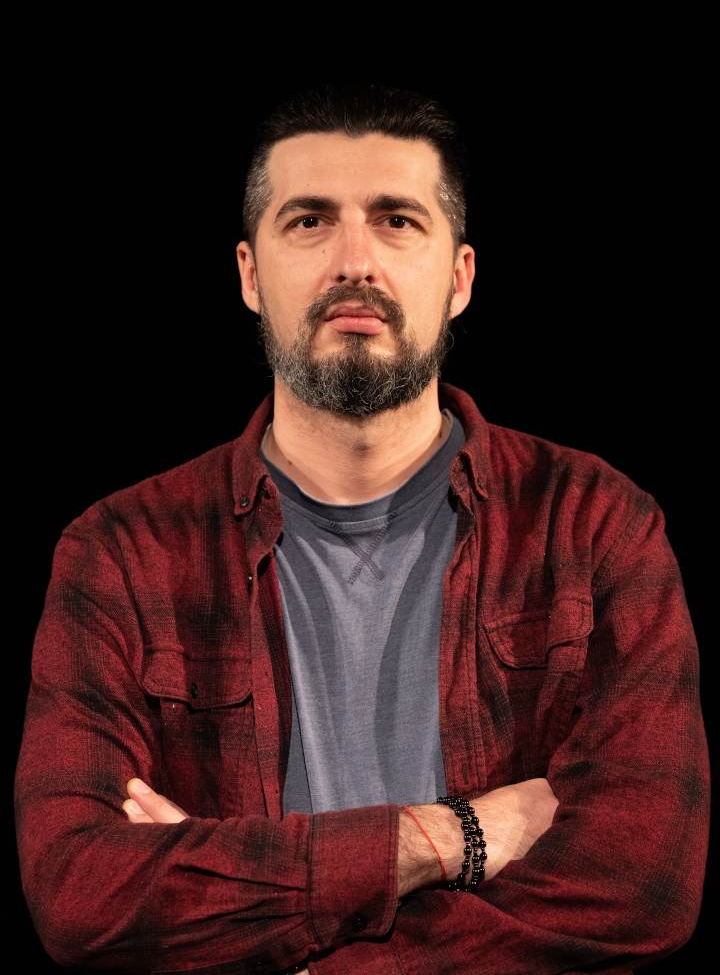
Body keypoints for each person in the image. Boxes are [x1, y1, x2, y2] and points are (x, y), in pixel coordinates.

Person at [15, 82, 710, 974]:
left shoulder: (594, 523)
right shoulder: (121, 552)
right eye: (309, 221)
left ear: (459, 278)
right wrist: (452, 836)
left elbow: (642, 883)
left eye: (397, 221)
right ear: (249, 275)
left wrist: (279, 937)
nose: (355, 263)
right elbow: (80, 890)